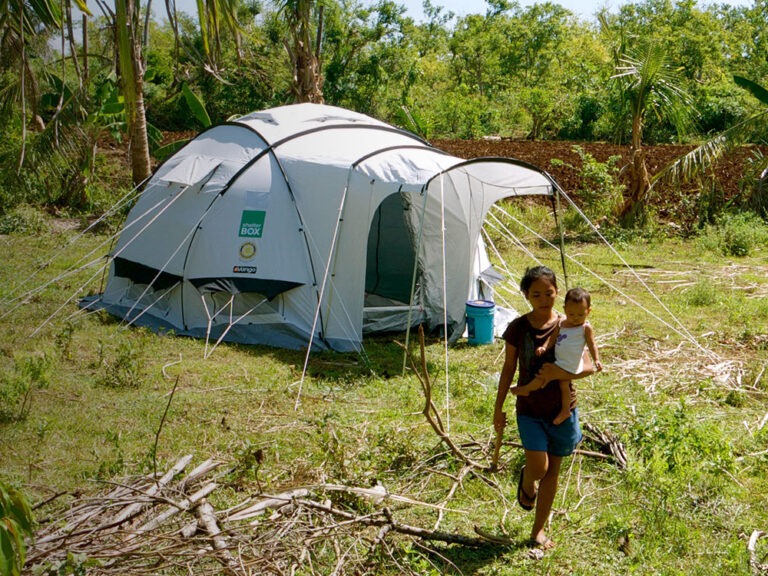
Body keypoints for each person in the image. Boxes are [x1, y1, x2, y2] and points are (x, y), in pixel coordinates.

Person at [493, 266, 595, 550]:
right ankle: (527, 482)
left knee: (553, 472)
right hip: (529, 408)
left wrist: (557, 375)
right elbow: (508, 368)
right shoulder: (518, 328)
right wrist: (498, 407)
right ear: (526, 295)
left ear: (557, 293)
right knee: (538, 466)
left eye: (548, 293)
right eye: (536, 294)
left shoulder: (570, 324)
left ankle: (538, 531)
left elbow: (587, 367)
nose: (543, 299)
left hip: (562, 409)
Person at [514, 287, 602, 426]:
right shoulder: (561, 323)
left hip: (571, 363)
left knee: (551, 378)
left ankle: (532, 391)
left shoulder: (585, 327)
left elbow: (592, 344)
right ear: (565, 308)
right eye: (571, 314)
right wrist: (544, 347)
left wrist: (596, 359)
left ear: (588, 311)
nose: (575, 318)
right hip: (560, 360)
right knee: (551, 376)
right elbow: (553, 339)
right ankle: (532, 390)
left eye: (580, 315)